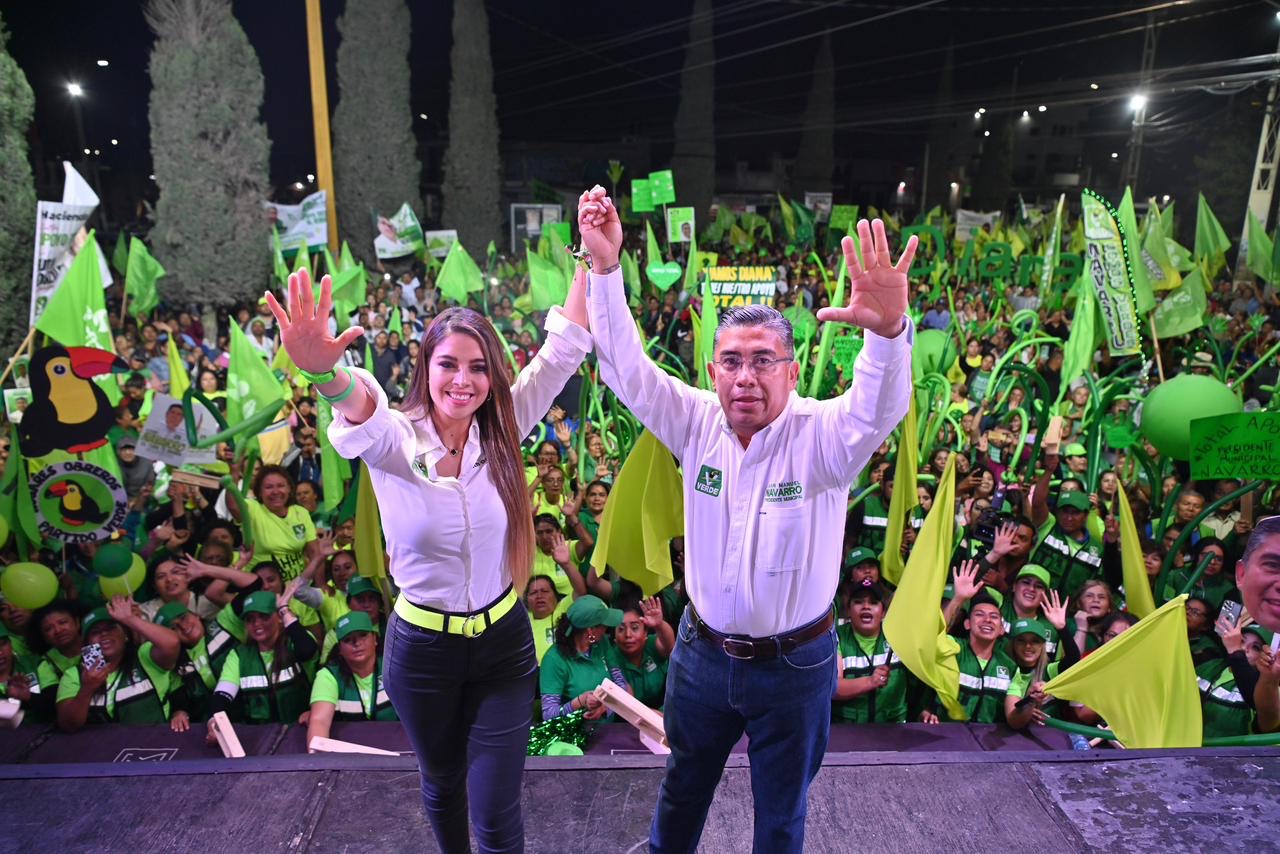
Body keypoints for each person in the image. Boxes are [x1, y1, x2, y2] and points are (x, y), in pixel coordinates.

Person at [580, 187, 914, 853]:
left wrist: (886, 335)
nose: (746, 377)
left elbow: (880, 409)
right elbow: (625, 371)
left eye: (764, 361)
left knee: (781, 815)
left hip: (795, 666)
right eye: (732, 361)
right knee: (682, 788)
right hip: (701, 656)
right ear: (713, 369)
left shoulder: (825, 436)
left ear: (792, 373)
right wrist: (607, 272)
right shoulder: (695, 420)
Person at [267, 263, 590, 852]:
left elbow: (562, 349)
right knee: (442, 783)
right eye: (448, 364)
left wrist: (593, 261)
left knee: (496, 810)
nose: (462, 380)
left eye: (478, 367)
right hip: (423, 654)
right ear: (425, 368)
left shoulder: (506, 428)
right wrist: (325, 373)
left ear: (493, 377)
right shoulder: (396, 439)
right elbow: (359, 405)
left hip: (503, 647)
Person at [56, 596, 181, 732]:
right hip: (101, 750)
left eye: (110, 628)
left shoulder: (144, 657)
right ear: (87, 644)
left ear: (125, 635)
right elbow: (68, 725)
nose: (104, 634)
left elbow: (172, 643)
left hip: (154, 745)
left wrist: (130, 619)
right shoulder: (74, 675)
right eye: (95, 632)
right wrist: (87, 688)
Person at [207, 590, 318, 727]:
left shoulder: (297, 640)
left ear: (278, 616)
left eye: (264, 617)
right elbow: (223, 693)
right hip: (260, 735)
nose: (257, 623)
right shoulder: (239, 655)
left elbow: (307, 650)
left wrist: (285, 612)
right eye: (250, 619)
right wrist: (214, 720)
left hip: (300, 728)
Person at [307, 611, 398, 749]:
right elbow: (319, 722)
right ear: (340, 649)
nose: (356, 643)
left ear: (375, 639)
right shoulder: (328, 676)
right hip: (348, 757)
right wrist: (317, 761)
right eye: (348, 639)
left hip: (396, 747)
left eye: (362, 635)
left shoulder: (394, 667)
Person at [538, 595, 629, 720]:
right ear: (590, 631)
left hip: (608, 729)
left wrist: (605, 708)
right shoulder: (553, 660)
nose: (607, 629)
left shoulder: (602, 643)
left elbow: (621, 684)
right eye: (604, 625)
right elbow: (549, 715)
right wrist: (579, 702)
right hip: (574, 734)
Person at [225, 463, 319, 582]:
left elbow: (314, 553)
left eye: (280, 486)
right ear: (259, 492)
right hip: (263, 588)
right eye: (269, 487)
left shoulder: (300, 512)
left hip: (298, 589)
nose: (275, 491)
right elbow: (234, 506)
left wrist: (320, 585)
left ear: (289, 488)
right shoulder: (253, 508)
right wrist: (234, 472)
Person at [832, 579, 908, 723]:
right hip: (848, 731)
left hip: (893, 729)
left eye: (873, 602)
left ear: (884, 613)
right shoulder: (837, 638)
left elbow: (933, 640)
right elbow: (834, 687)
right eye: (859, 602)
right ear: (848, 610)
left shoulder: (898, 636)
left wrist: (958, 599)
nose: (866, 606)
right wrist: (870, 681)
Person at [607, 596, 674, 709]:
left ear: (645, 632)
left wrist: (659, 625)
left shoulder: (652, 645)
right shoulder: (611, 658)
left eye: (634, 628)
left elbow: (670, 646)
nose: (628, 635)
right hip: (624, 721)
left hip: (663, 715)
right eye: (621, 629)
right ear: (614, 636)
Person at [526, 574, 572, 665]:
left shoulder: (563, 608)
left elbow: (580, 591)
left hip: (564, 670)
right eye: (533, 593)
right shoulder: (522, 620)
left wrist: (566, 564)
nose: (539, 596)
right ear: (527, 599)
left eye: (545, 591)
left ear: (556, 596)